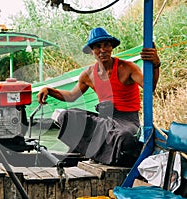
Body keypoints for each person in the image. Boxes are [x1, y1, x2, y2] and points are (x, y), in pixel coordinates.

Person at [37, 27, 160, 166]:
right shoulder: (88, 74)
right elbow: (71, 96)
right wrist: (48, 89)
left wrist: (156, 64)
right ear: (91, 51)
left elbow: (150, 87)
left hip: (127, 121)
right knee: (67, 116)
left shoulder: (127, 68)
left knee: (125, 137)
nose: (102, 50)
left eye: (106, 45)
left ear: (112, 47)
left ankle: (100, 154)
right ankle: (94, 152)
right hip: (105, 119)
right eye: (97, 47)